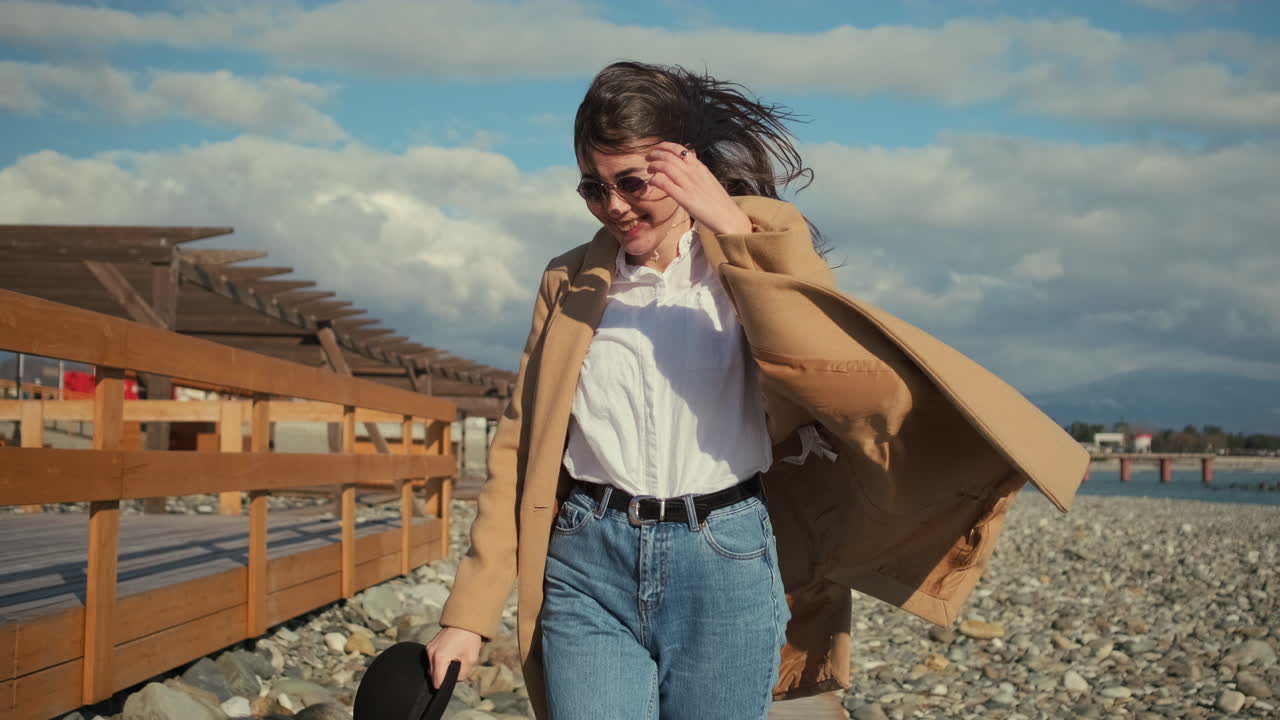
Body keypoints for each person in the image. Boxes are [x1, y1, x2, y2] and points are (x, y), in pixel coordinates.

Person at [428, 61, 1087, 720]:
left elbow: (827, 364)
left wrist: (734, 231)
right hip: (586, 560)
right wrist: (469, 615)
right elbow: (519, 448)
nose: (615, 207)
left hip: (724, 558)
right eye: (594, 189)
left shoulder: (761, 247)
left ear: (684, 167)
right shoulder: (568, 282)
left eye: (632, 183)